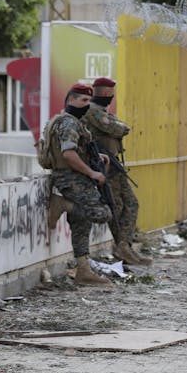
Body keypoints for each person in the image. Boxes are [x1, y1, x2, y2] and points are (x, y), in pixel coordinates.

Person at [42, 83, 114, 286]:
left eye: (88, 101)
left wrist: (95, 157)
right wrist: (92, 172)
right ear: (71, 100)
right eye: (83, 100)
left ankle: (83, 270)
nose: (86, 105)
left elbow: (75, 150)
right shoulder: (69, 123)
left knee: (82, 222)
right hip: (70, 178)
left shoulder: (72, 122)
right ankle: (62, 204)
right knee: (103, 214)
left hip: (74, 176)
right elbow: (68, 153)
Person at [82, 77, 151, 266]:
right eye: (111, 93)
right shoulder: (93, 112)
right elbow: (117, 128)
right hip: (104, 166)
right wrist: (122, 127)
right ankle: (122, 248)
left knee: (130, 204)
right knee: (117, 206)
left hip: (113, 166)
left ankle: (124, 246)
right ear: (107, 93)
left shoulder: (101, 111)